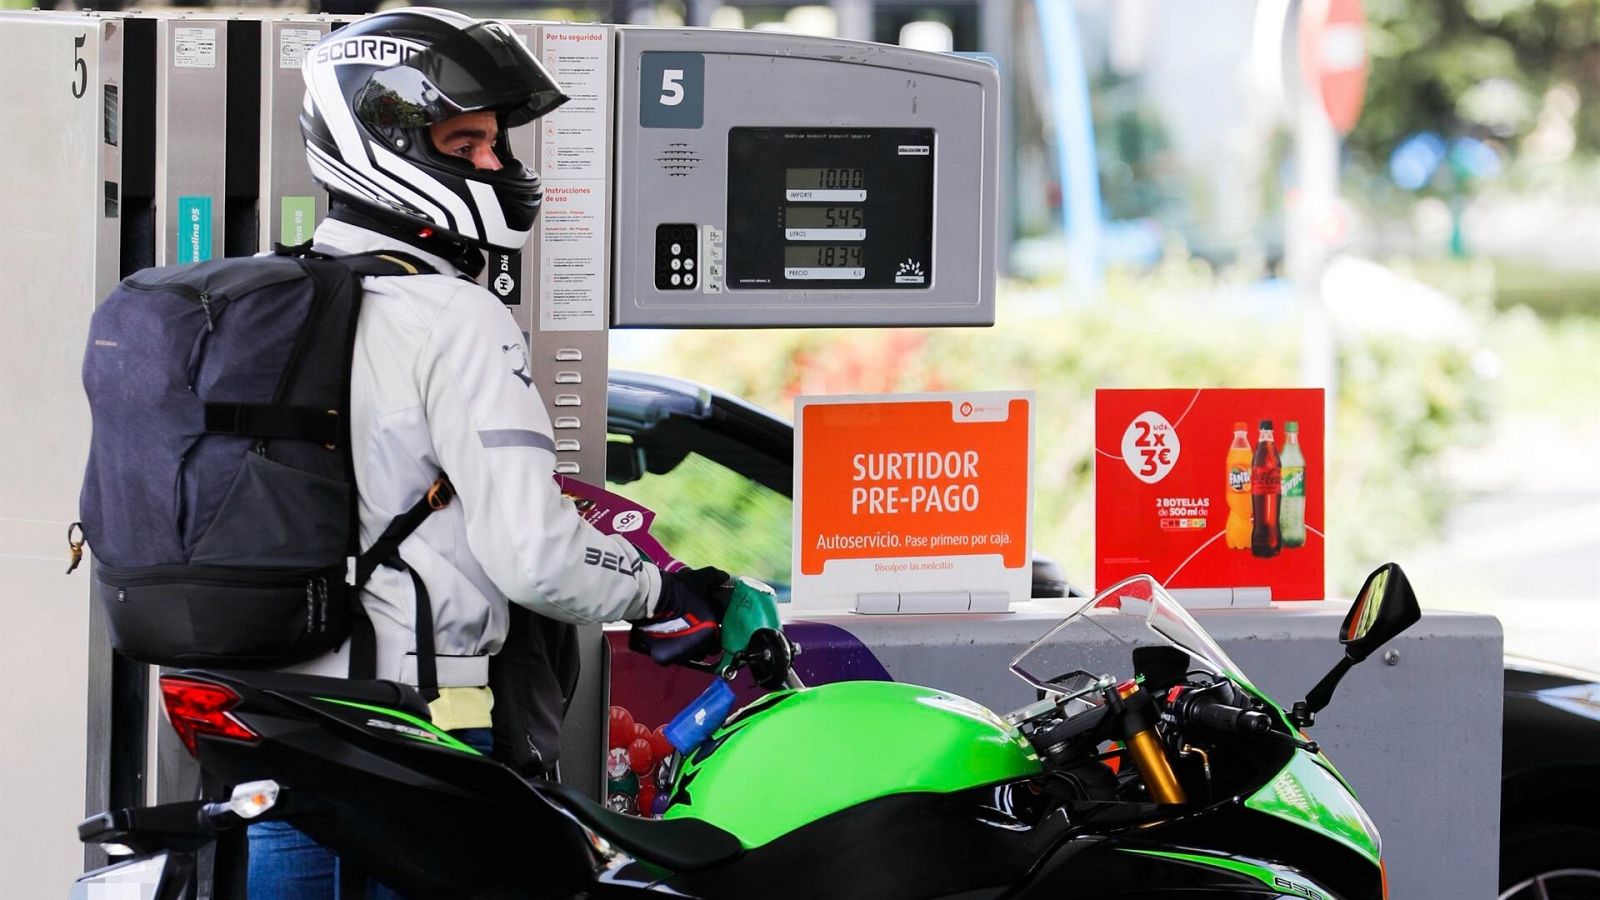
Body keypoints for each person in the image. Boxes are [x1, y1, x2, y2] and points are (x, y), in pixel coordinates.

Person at [247, 9, 729, 897]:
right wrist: (664, 594)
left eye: (495, 142)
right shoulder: (453, 314)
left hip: (272, 719)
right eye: (465, 143)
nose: (497, 165)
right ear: (383, 148)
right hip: (417, 726)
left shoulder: (273, 300)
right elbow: (537, 557)